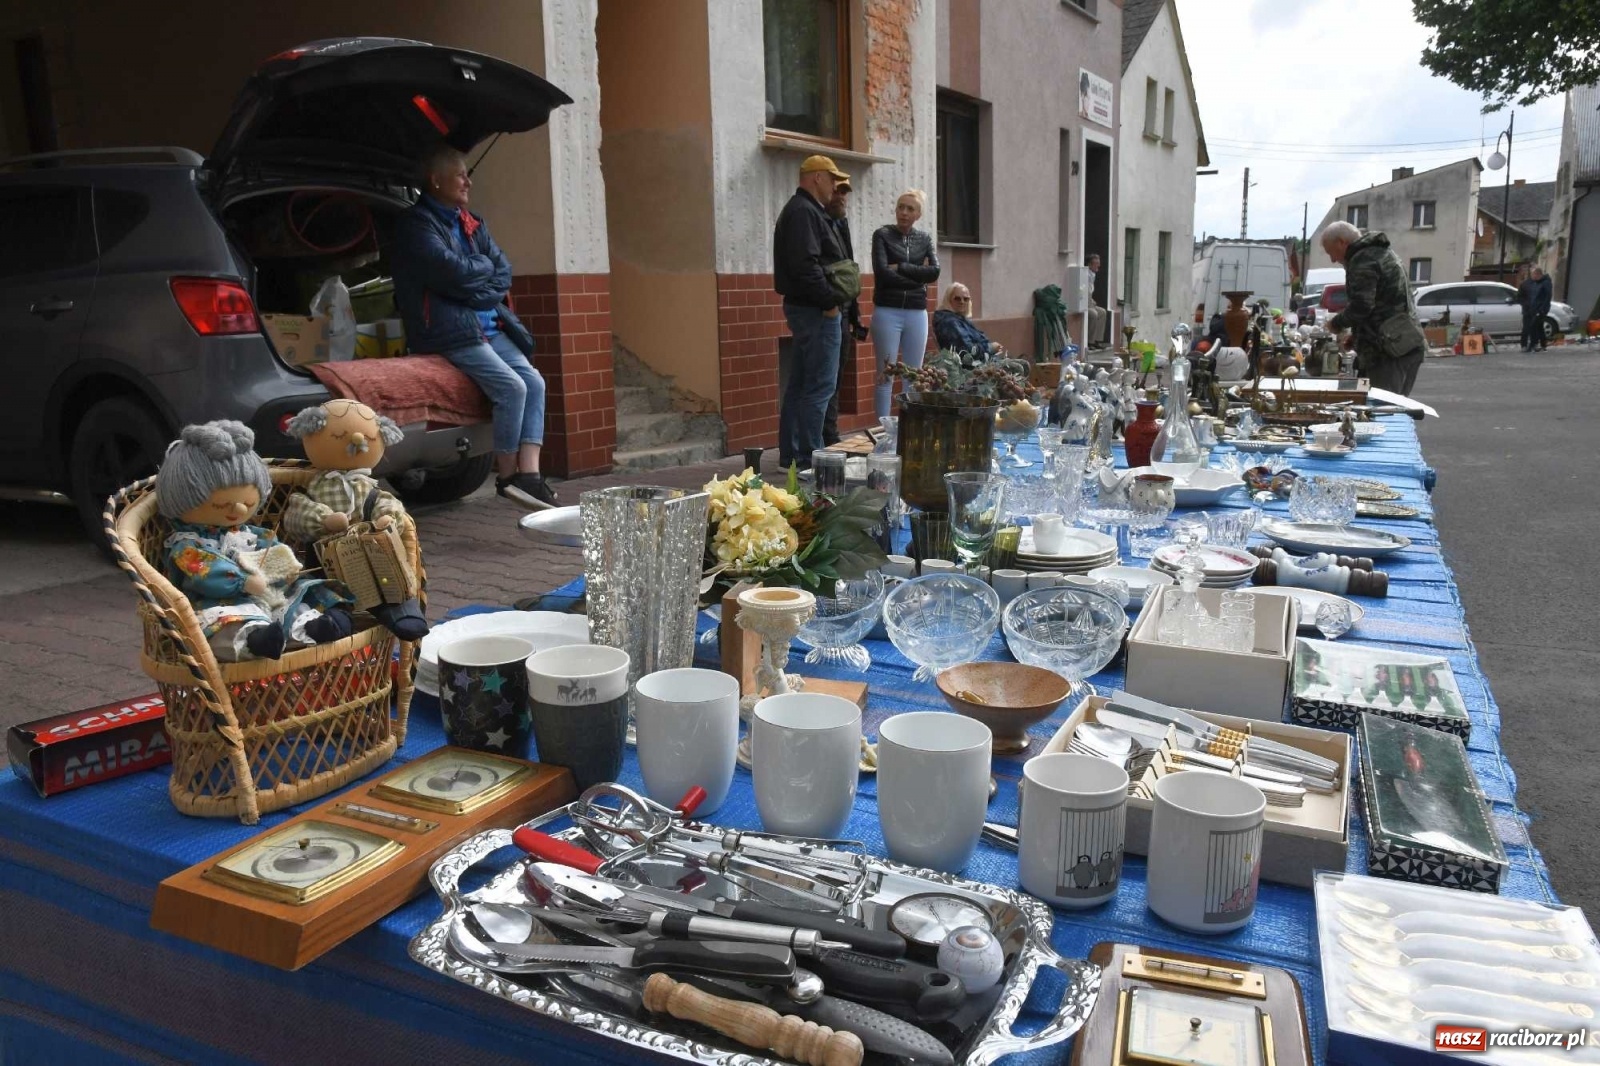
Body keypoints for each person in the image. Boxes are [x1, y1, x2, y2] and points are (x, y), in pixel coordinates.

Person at [392, 144, 555, 510]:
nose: (468, 181)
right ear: (436, 181)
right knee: (512, 387)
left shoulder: (472, 222)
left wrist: (471, 283)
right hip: (448, 332)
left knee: (535, 382)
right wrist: (474, 275)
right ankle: (510, 477)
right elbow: (452, 272)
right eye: (460, 174)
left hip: (490, 326)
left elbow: (502, 272)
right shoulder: (415, 225)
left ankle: (530, 476)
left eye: (468, 174)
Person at [773, 154, 851, 469]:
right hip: (816, 311)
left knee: (802, 385)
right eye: (832, 179)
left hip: (808, 309)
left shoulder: (803, 210)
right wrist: (830, 304)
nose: (835, 187)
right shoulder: (804, 212)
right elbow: (807, 265)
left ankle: (793, 456)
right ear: (816, 177)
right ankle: (810, 459)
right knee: (820, 387)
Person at [1319, 221, 1427, 395]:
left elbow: (1362, 306)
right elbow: (1385, 304)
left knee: (1384, 410)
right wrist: (1358, 336)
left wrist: (1336, 323)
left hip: (1390, 351)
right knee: (1395, 408)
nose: (1333, 259)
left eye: (1331, 252)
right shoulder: (1380, 253)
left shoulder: (1363, 260)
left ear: (1342, 242)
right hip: (1404, 342)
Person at [870, 188, 940, 418]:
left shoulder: (925, 239)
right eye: (901, 207)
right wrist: (917, 280)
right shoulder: (882, 235)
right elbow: (882, 273)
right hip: (887, 311)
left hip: (916, 313)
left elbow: (934, 271)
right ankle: (881, 431)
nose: (904, 212)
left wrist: (901, 267)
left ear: (918, 214)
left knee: (913, 375)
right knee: (886, 374)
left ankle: (909, 428)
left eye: (910, 208)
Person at [822, 179, 868, 446]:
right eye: (837, 191)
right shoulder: (818, 222)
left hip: (845, 309)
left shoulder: (841, 224)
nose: (841, 197)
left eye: (845, 194)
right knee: (825, 380)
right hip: (828, 310)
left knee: (836, 377)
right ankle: (827, 437)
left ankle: (830, 434)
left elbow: (848, 269)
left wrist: (854, 313)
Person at [932, 283, 1004, 361]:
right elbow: (967, 352)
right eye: (957, 298)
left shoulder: (959, 318)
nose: (962, 302)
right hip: (969, 369)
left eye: (966, 299)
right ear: (948, 300)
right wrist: (990, 348)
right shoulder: (950, 323)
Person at [1084, 253, 1107, 349]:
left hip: (1089, 303)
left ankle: (1097, 339)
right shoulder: (1085, 275)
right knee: (1093, 314)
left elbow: (1089, 291)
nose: (1099, 265)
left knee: (1102, 312)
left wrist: (1092, 300)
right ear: (1089, 265)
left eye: (1099, 263)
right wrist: (1089, 300)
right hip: (1084, 304)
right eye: (1096, 263)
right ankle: (1090, 342)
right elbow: (1083, 291)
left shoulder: (1092, 275)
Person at [1516, 266, 1539, 352]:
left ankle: (1534, 344)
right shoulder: (1524, 284)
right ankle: (1524, 345)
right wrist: (1526, 304)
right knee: (1526, 328)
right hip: (1527, 310)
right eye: (1534, 274)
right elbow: (1519, 297)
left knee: (1535, 328)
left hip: (1536, 310)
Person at [1531, 265, 1553, 351]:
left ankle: (1535, 344)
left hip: (1541, 309)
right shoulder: (1536, 283)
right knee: (1539, 327)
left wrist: (1542, 309)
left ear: (1538, 274)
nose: (1532, 276)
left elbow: (1547, 297)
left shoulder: (1545, 283)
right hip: (1535, 308)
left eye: (1533, 275)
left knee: (1534, 326)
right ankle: (1543, 345)